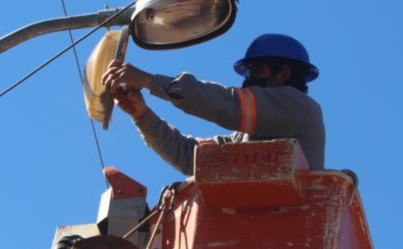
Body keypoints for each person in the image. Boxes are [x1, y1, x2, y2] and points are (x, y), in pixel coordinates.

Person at [101, 33, 324, 175]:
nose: (248, 80)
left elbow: (227, 103)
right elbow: (192, 157)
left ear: (283, 73)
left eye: (257, 71)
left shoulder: (298, 107)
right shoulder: (246, 137)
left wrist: (149, 81)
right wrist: (142, 116)